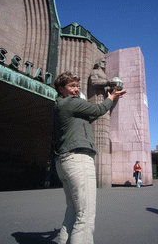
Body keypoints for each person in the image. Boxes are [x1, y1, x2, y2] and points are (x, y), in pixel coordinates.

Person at [53, 71, 127, 244]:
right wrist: (112, 98)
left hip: (64, 162)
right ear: (60, 89)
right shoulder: (72, 103)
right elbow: (98, 109)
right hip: (78, 159)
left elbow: (92, 114)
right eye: (71, 86)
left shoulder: (61, 105)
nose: (76, 89)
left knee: (73, 211)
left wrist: (108, 101)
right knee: (85, 215)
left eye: (77, 86)